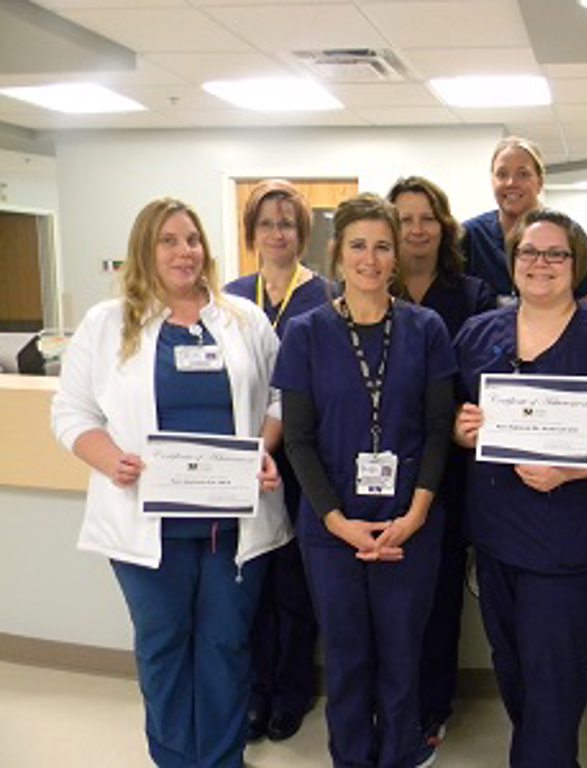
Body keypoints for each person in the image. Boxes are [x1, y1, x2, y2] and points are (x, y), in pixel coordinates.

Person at [51, 198, 290, 768]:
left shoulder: (243, 319)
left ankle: (222, 759)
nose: (184, 252)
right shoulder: (106, 324)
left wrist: (263, 448)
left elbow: (282, 397)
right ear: (144, 251)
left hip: (233, 523)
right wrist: (109, 459)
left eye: (192, 240)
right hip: (146, 528)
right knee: (163, 649)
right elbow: (71, 412)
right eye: (168, 241)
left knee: (226, 648)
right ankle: (175, 759)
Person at [453, 208, 587, 767]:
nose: (540, 264)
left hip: (571, 536)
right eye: (528, 252)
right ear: (512, 261)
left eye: (555, 254)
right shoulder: (479, 334)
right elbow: (454, 417)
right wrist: (463, 427)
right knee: (514, 665)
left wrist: (577, 466)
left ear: (577, 264)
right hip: (498, 533)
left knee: (553, 672)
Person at [273, 193, 456, 767]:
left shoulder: (426, 329)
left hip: (411, 523)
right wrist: (338, 522)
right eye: (359, 246)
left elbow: (436, 428)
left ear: (397, 255)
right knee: (349, 661)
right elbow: (298, 440)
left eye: (382, 246)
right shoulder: (306, 333)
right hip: (332, 529)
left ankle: (400, 756)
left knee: (403, 657)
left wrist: (417, 514)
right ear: (337, 253)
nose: (371, 259)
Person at [386, 175, 496, 763]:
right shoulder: (371, 291)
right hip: (380, 466)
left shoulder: (473, 294)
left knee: (437, 596)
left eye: (427, 217)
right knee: (384, 597)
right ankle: (389, 703)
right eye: (403, 219)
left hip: (451, 468)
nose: (416, 230)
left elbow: (483, 382)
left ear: (444, 226)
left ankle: (430, 707)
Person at [224, 179, 327, 743]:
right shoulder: (232, 296)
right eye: (267, 223)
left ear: (302, 231)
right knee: (252, 585)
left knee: (294, 587)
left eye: (288, 222)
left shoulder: (326, 295)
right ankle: (256, 693)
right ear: (252, 233)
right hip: (246, 459)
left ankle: (291, 692)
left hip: (302, 462)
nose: (278, 232)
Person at [461, 135, 587, 302]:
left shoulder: (568, 234)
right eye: (502, 174)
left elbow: (585, 302)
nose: (511, 182)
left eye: (523, 174)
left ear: (540, 181)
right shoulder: (470, 236)